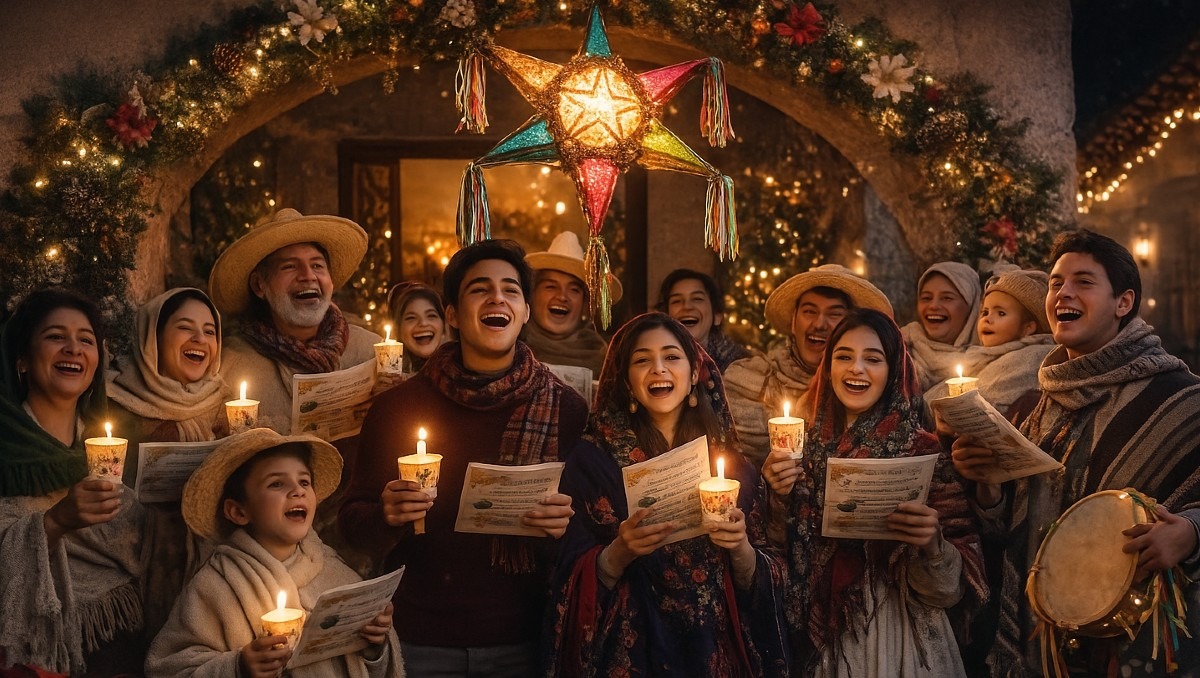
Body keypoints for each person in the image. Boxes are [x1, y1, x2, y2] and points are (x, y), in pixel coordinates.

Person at [952, 229, 1200, 677]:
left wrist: (1190, 532)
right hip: (1044, 640)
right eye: (1055, 283)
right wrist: (988, 488)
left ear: (1123, 302)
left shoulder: (1180, 401)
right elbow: (1015, 526)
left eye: (1083, 281)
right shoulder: (1040, 405)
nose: (1063, 292)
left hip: (1139, 646)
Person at [339, 239, 589, 677]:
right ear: (452, 314)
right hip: (422, 639)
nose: (497, 298)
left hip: (525, 638)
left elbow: (591, 532)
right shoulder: (398, 407)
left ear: (525, 312)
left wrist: (563, 527)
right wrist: (386, 515)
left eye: (511, 290)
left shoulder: (565, 408)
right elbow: (353, 527)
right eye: (480, 289)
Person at [543, 312, 789, 677]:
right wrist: (619, 553)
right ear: (627, 382)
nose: (658, 368)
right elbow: (563, 576)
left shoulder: (731, 467)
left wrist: (740, 548)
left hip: (713, 649)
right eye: (642, 360)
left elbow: (773, 575)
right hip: (631, 653)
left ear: (694, 376)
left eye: (672, 357)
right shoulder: (592, 463)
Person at [762, 308, 986, 677]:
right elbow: (773, 558)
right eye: (843, 356)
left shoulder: (922, 452)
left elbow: (949, 591)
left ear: (894, 370)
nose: (856, 369)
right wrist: (776, 496)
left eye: (873, 359)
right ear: (827, 368)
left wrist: (932, 546)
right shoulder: (797, 452)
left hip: (900, 636)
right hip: (817, 634)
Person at [145, 427, 403, 677]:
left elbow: (373, 667)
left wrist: (375, 644)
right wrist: (238, 667)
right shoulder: (215, 587)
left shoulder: (336, 573)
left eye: (304, 481)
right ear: (238, 511)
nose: (298, 491)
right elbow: (167, 668)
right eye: (277, 484)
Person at [0, 288, 144, 675]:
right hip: (33, 655)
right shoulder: (5, 452)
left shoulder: (115, 449)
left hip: (120, 644)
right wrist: (54, 523)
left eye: (86, 340)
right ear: (22, 359)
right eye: (55, 336)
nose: (73, 349)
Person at [106, 287, 231, 640]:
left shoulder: (227, 407)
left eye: (209, 331)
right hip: (132, 566)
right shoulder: (114, 402)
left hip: (210, 572)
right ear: (153, 339)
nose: (200, 339)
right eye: (185, 328)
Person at [208, 207, 380, 433]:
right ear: (259, 285)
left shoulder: (372, 353)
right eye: (289, 266)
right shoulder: (229, 364)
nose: (308, 276)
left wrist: (388, 405)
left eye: (317, 265)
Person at [724, 264, 892, 466]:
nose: (820, 324)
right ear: (794, 322)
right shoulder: (749, 380)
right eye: (810, 311)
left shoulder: (866, 388)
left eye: (834, 314)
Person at [521, 231, 619, 376]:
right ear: (531, 297)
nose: (562, 296)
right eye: (551, 287)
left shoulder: (608, 362)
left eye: (574, 290)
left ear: (585, 305)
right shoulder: (509, 352)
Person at [970, 265, 1054, 420]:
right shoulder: (976, 356)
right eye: (985, 312)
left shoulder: (1031, 358)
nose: (987, 319)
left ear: (1028, 328)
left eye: (1001, 313)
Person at [901, 262, 983, 393]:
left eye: (947, 298)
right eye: (926, 298)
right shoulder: (900, 350)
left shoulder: (990, 362)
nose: (933, 306)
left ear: (972, 307)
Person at [658, 268, 749, 372]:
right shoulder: (652, 362)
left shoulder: (742, 366)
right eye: (676, 301)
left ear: (717, 316)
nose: (687, 306)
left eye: (697, 299)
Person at [386, 281, 448, 373]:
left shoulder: (462, 370)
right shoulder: (384, 373)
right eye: (411, 318)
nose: (423, 323)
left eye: (431, 315)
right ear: (398, 329)